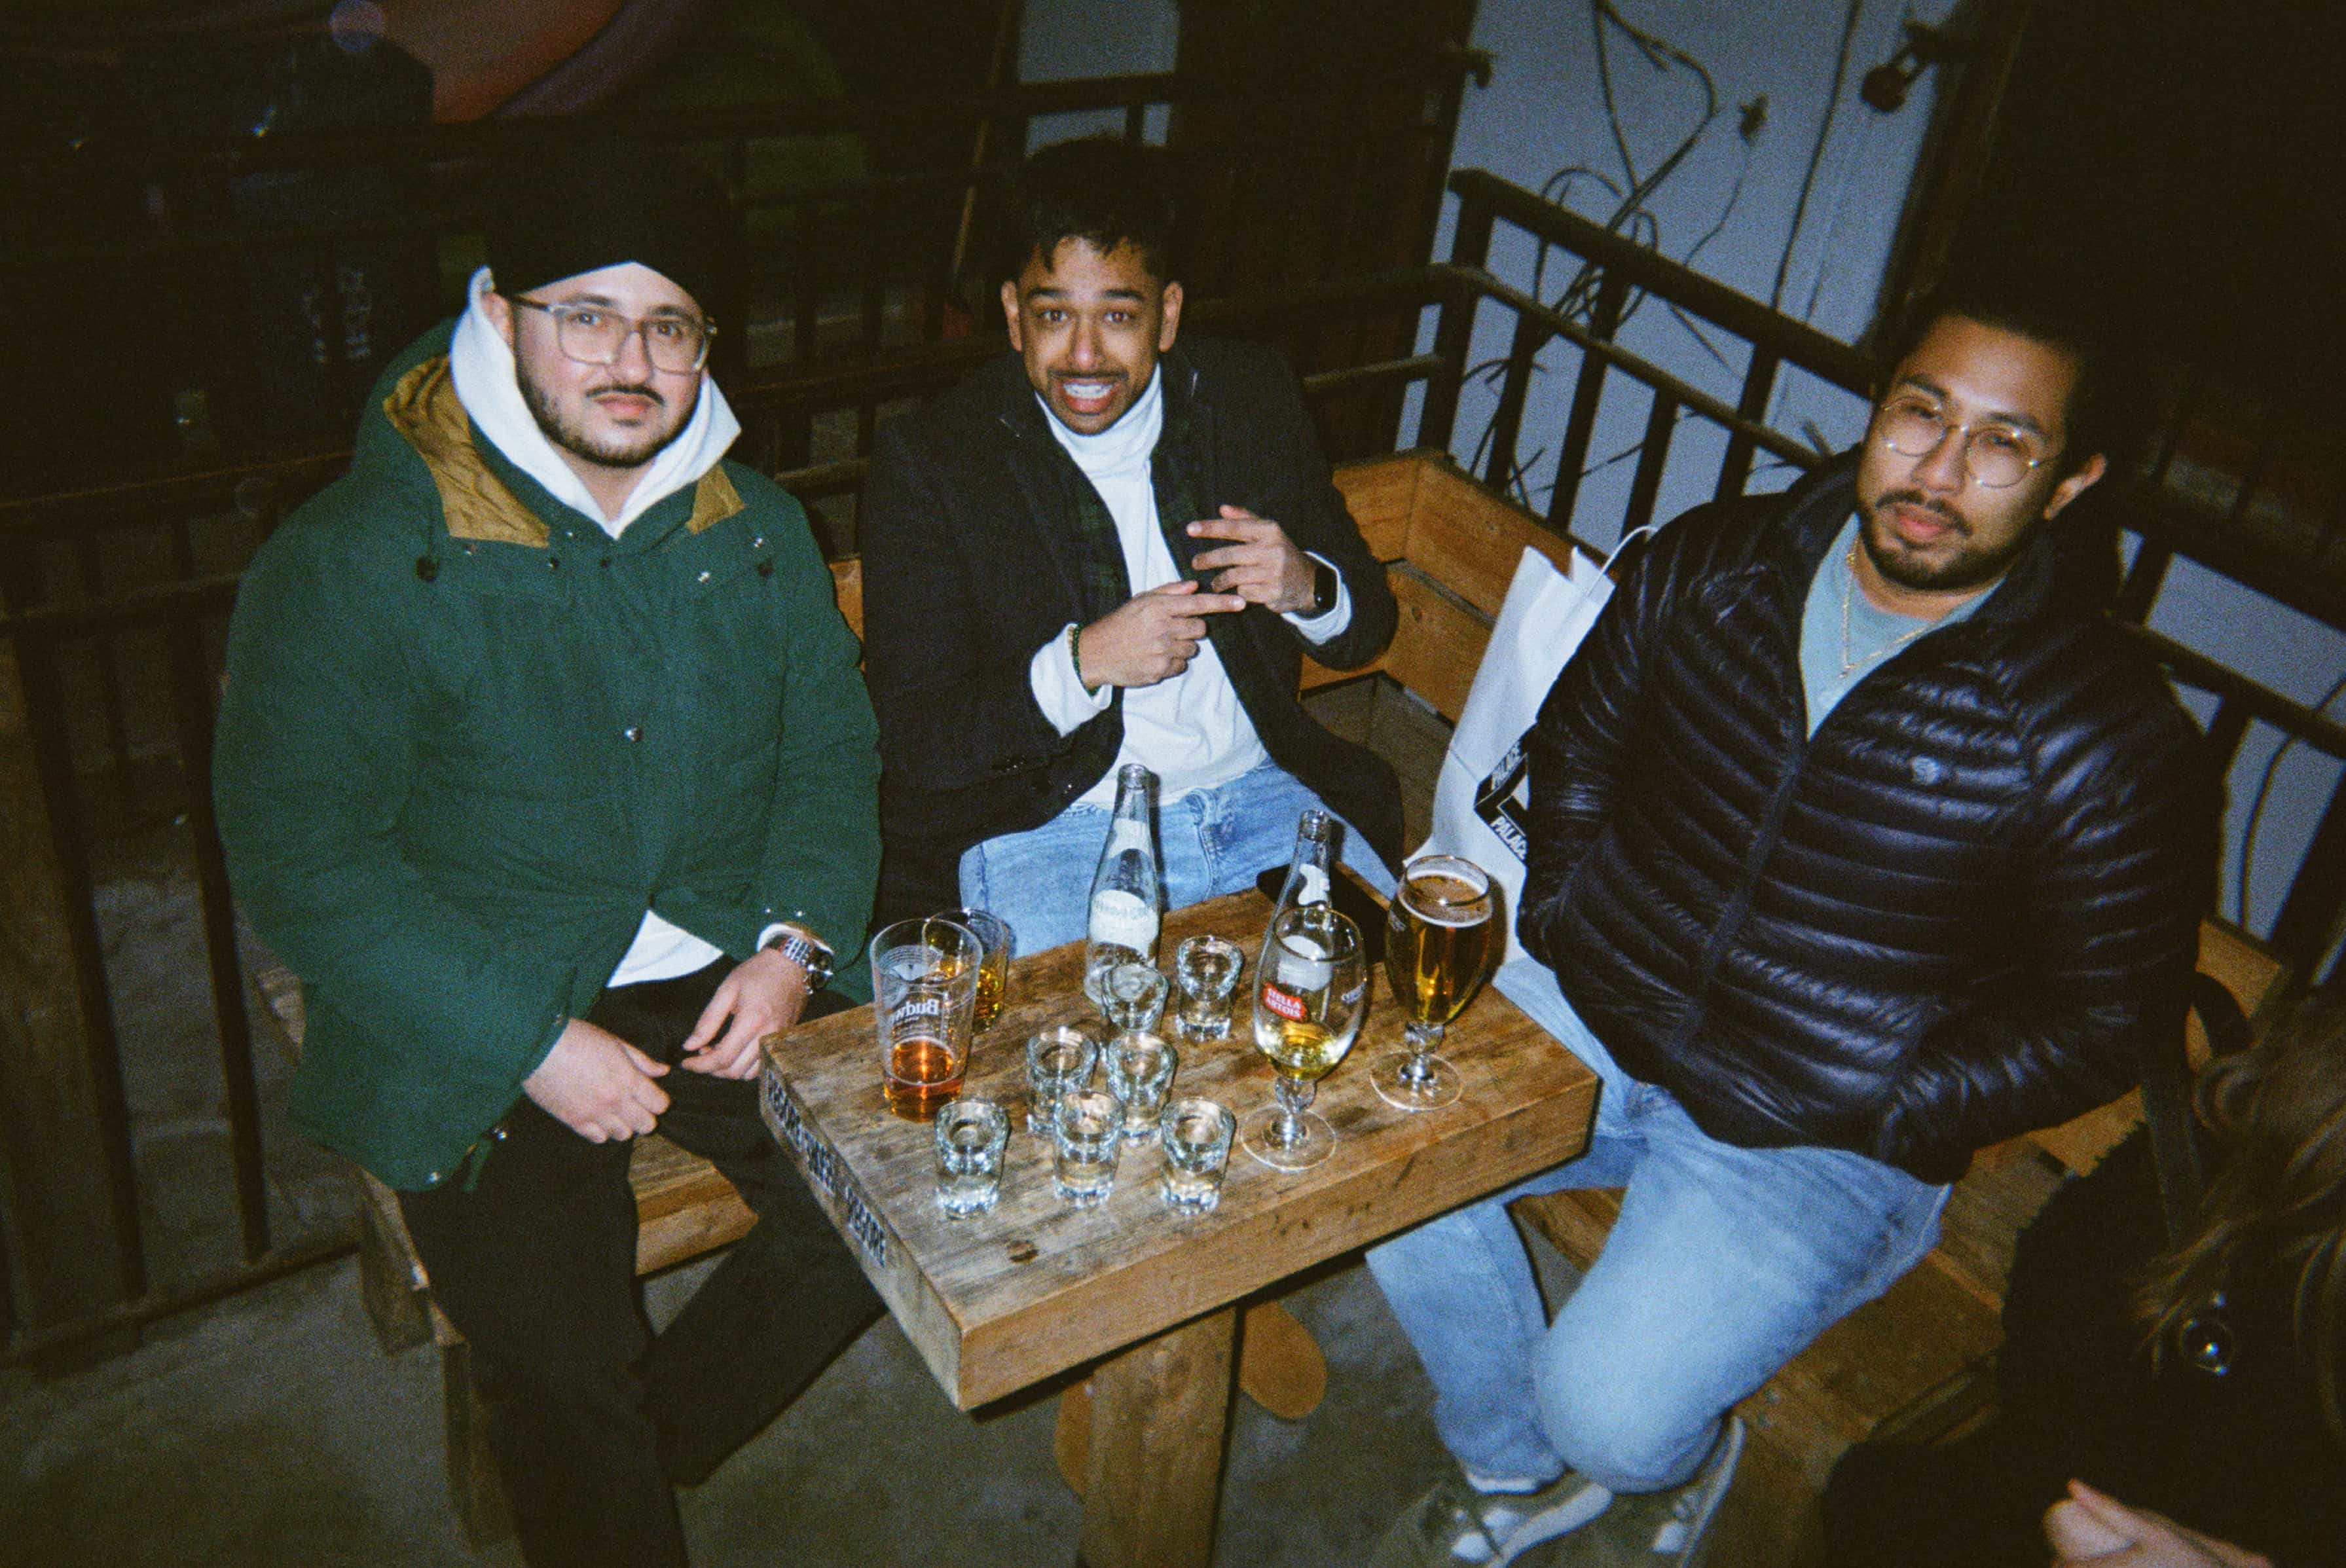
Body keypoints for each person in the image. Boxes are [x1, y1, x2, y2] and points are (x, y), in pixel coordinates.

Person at [1364, 276, 2218, 1566]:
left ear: (2071, 479)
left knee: (1610, 1414)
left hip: (1818, 1131)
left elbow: (2108, 1016)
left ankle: (1653, 1458)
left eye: (2003, 441)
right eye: (1919, 412)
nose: (1938, 469)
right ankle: (1511, 1462)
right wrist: (1576, 914)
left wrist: (1892, 1101)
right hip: (1598, 1016)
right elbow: (1575, 750)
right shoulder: (1715, 565)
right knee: (1365, 1153)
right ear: (1876, 408)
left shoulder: (2100, 736)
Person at [213, 143, 883, 1567]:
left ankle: (633, 1458)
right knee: (563, 1359)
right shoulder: (354, 559)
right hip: (466, 995)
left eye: (669, 325)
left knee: (885, 1216)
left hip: (710, 952)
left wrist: (791, 945)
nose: (629, 360)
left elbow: (831, 757)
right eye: (586, 313)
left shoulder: (751, 529)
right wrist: (529, 1037)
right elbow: (300, 853)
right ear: (499, 311)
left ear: (708, 345)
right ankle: (596, 1471)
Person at [858, 135, 1402, 946]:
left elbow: (1368, 628)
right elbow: (918, 740)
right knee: (1079, 1066)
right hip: (1054, 827)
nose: (1083, 355)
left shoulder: (1247, 398)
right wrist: (1079, 665)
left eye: (1117, 315)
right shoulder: (935, 460)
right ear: (1013, 315)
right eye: (1053, 316)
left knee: (1376, 1024)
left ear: (1168, 314)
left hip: (1261, 796)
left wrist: (1306, 585)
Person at [1824, 985, 2346, 1568]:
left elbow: (2043, 1344)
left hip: (2024, 1494)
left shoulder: (2242, 1140)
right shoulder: (2228, 1161)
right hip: (2029, 1497)